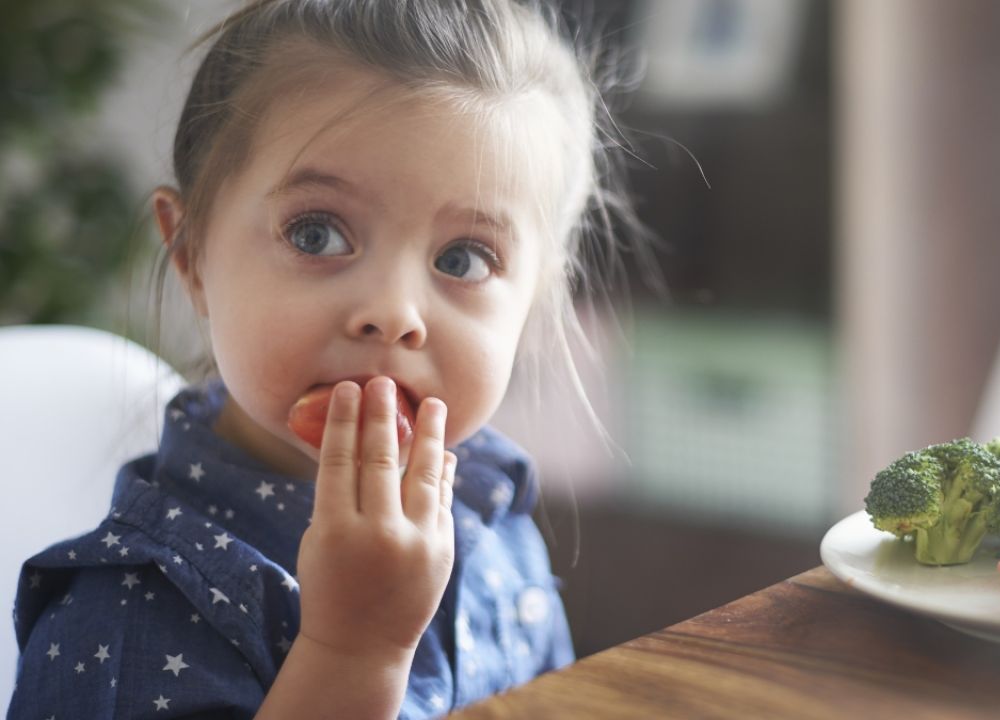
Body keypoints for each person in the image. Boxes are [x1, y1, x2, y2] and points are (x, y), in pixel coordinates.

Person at [8, 0, 632, 716]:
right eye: (316, 235)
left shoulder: (492, 509)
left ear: (535, 297)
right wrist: (353, 653)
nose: (394, 314)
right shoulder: (128, 617)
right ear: (193, 257)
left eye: (463, 257)